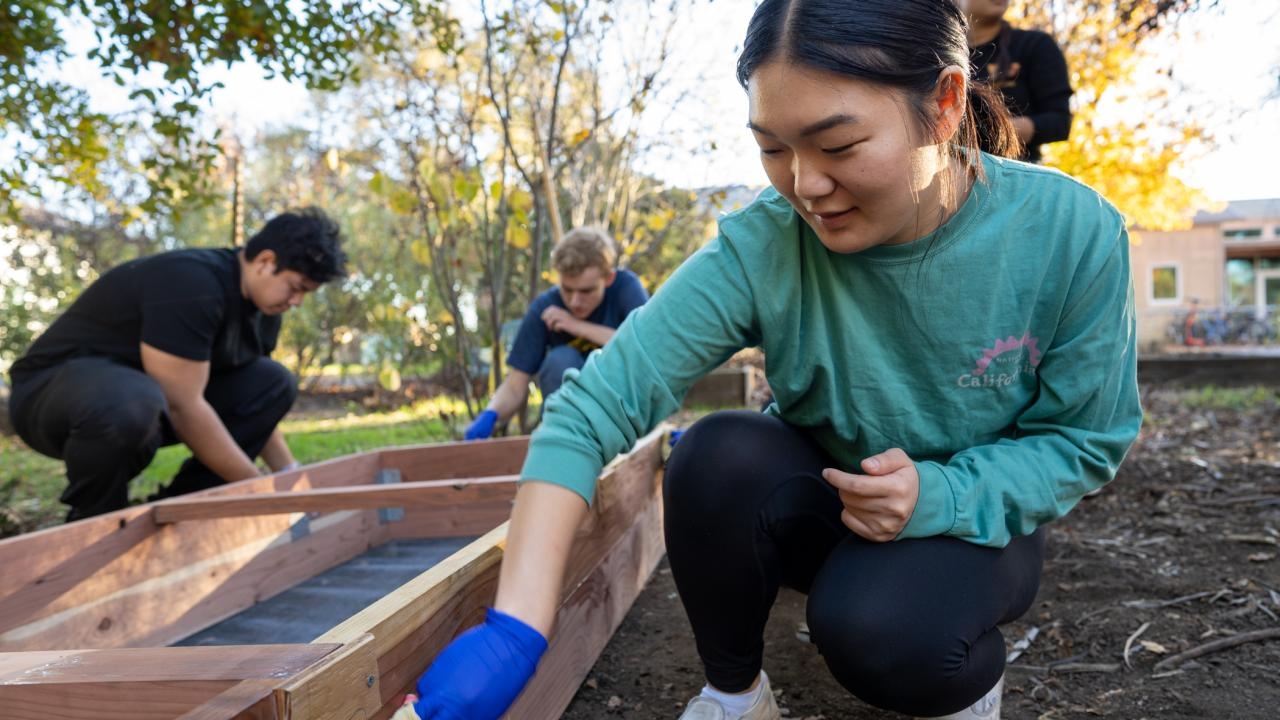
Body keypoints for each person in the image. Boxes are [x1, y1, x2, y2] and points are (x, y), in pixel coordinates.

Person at [402, 1, 1140, 719]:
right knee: (712, 455)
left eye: (839, 145)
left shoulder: (1070, 233)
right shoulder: (766, 242)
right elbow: (589, 412)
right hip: (829, 501)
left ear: (944, 104)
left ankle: (961, 682)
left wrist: (939, 495)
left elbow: (1084, 440)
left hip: (973, 522)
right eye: (774, 148)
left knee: (881, 630)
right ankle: (735, 696)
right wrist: (515, 631)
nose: (806, 187)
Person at [7, 208, 347, 521]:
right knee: (133, 402)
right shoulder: (194, 284)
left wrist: (289, 475)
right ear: (265, 261)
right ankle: (95, 522)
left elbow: (256, 405)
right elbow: (182, 405)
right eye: (295, 287)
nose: (297, 302)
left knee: (274, 382)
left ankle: (188, 507)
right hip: (49, 398)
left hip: (141, 401)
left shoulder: (264, 311)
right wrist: (261, 491)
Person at [463, 226, 648, 440]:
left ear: (608, 278)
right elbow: (516, 383)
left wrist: (576, 325)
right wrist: (490, 414)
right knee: (560, 360)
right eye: (567, 289)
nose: (575, 301)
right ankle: (561, 439)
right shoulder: (545, 308)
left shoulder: (626, 288)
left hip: (623, 410)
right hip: (570, 422)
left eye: (586, 291)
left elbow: (645, 349)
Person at [962, 0, 1073, 163]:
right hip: (941, 174)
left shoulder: (1034, 45)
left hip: (1015, 172)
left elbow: (1059, 122)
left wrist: (990, 131)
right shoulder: (932, 52)